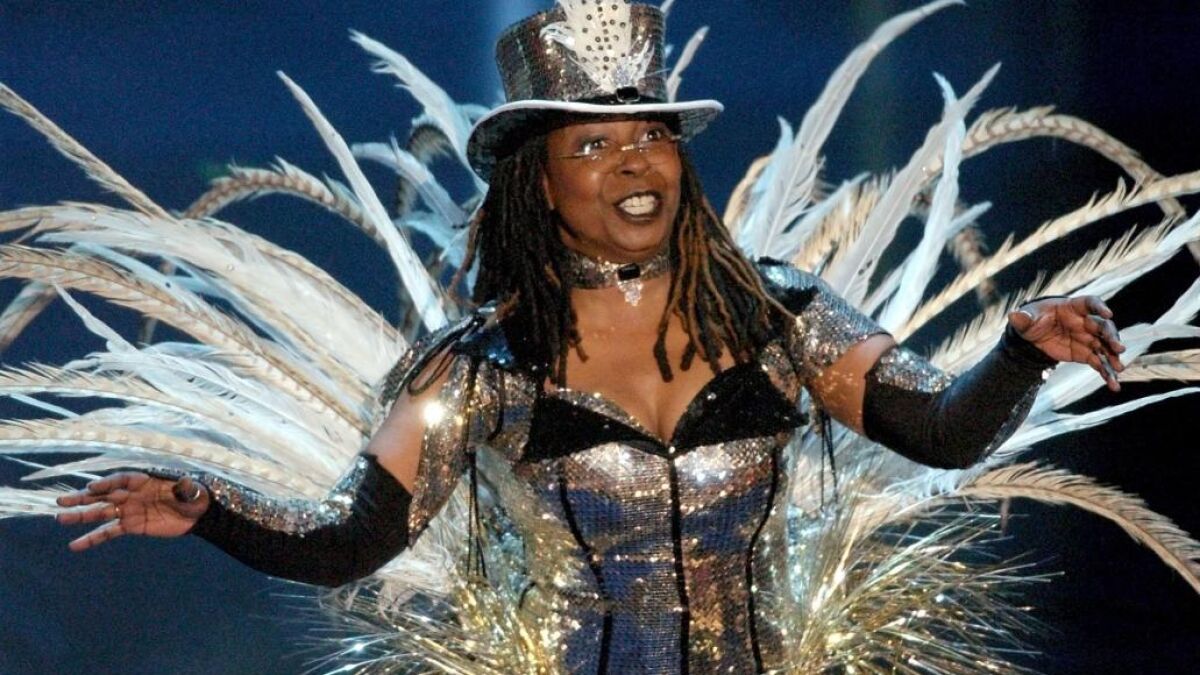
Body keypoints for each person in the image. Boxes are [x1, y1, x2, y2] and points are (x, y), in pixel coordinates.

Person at [50, 3, 1128, 673]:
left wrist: (1020, 353)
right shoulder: (480, 368)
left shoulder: (779, 314)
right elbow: (351, 539)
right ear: (539, 183)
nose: (635, 162)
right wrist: (209, 510)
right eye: (595, 145)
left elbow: (940, 431)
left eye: (652, 135)